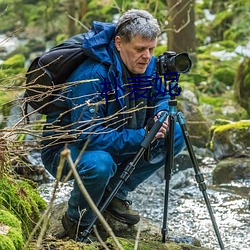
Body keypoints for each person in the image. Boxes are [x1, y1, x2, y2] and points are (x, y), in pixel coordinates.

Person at [41, 9, 185, 241]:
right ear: (119, 43)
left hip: (117, 136)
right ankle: (76, 221)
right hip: (67, 150)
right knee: (100, 164)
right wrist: (142, 135)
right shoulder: (92, 75)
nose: (147, 56)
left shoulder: (146, 63)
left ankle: (115, 193)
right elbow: (87, 136)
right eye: (140, 49)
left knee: (175, 131)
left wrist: (161, 113)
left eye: (152, 49)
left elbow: (161, 95)